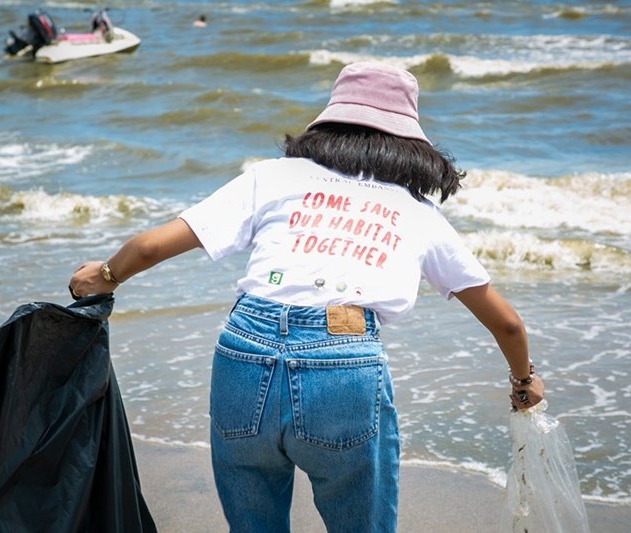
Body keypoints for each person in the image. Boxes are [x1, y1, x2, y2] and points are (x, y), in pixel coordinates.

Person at [69, 61, 545, 532]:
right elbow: (506, 323)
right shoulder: (418, 212)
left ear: (328, 120)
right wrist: (524, 383)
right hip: (343, 364)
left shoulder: (273, 177)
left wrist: (106, 274)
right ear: (410, 141)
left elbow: (152, 245)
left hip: (243, 351)